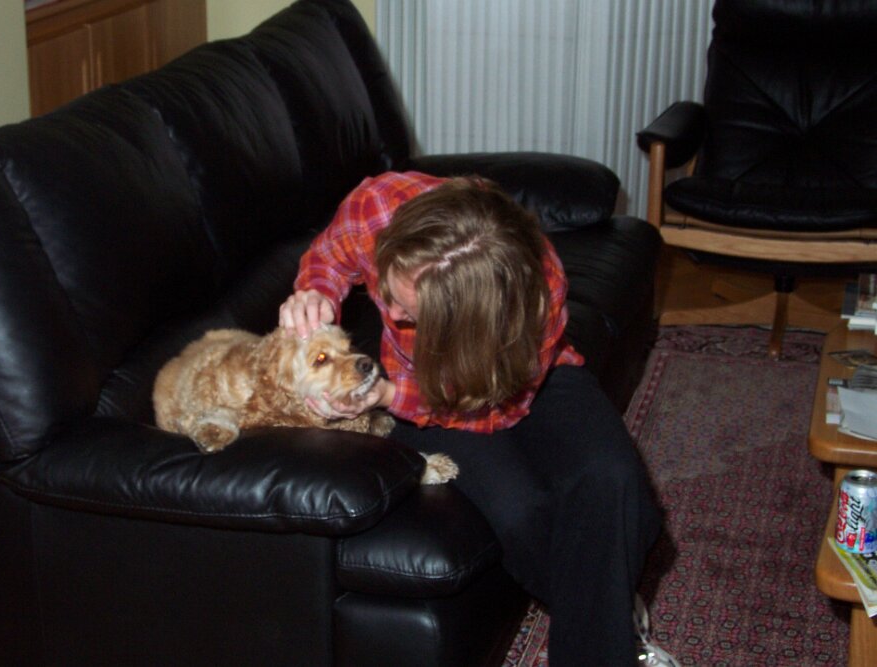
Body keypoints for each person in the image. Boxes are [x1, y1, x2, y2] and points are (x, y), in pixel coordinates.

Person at [279, 171, 675, 666]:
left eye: (414, 312)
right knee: (520, 511)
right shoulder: (377, 204)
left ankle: (604, 617)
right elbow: (328, 259)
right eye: (390, 290)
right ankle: (612, 620)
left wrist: (388, 394)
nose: (393, 314)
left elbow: (496, 410)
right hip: (421, 391)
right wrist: (316, 291)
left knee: (613, 480)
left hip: (523, 376)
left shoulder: (534, 293)